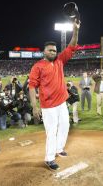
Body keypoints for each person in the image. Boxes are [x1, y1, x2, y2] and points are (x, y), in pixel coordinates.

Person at [29, 19, 80, 171]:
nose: (53, 52)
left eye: (54, 50)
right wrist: (34, 107)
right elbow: (32, 87)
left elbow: (72, 45)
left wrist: (75, 29)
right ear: (44, 51)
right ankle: (49, 158)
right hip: (48, 106)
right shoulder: (37, 66)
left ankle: (59, 148)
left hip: (62, 103)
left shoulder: (59, 61)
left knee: (65, 125)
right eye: (50, 50)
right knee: (51, 131)